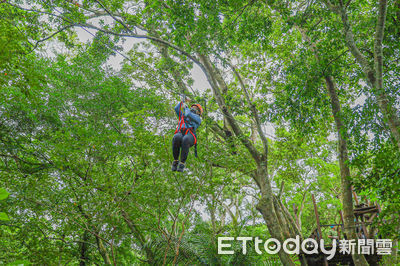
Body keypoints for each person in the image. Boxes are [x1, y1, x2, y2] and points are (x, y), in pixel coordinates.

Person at [171, 99, 203, 172]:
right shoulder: (183, 116)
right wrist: (182, 101)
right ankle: (175, 161)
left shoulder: (198, 119)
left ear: (198, 112)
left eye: (195, 109)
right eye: (192, 108)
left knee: (186, 139)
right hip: (181, 133)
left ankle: (182, 163)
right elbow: (176, 108)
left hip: (190, 135)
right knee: (176, 137)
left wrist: (186, 108)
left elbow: (188, 114)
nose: (193, 109)